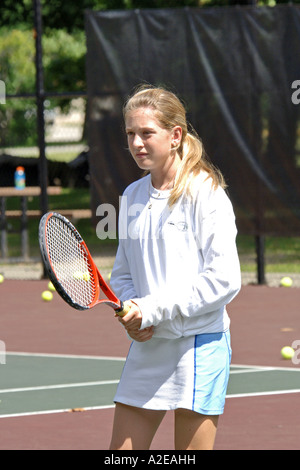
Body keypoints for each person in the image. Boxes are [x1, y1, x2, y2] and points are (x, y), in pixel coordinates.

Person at [109, 85, 241, 450]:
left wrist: (150, 309)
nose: (137, 143)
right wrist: (134, 312)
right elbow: (122, 273)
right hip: (149, 347)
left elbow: (224, 280)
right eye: (131, 134)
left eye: (147, 133)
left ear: (175, 135)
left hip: (199, 345)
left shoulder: (206, 192)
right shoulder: (132, 196)